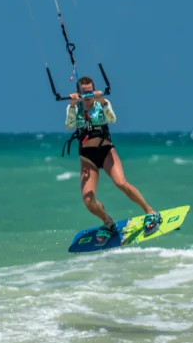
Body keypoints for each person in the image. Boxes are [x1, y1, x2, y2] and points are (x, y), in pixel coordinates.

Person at [65, 76, 160, 244]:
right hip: (88, 158)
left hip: (106, 151)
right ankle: (109, 223)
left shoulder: (102, 104)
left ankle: (150, 212)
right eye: (84, 92)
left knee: (121, 183)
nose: (88, 95)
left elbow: (112, 119)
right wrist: (72, 106)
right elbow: (70, 126)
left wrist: (103, 102)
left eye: (90, 92)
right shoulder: (74, 107)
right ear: (79, 93)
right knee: (88, 200)